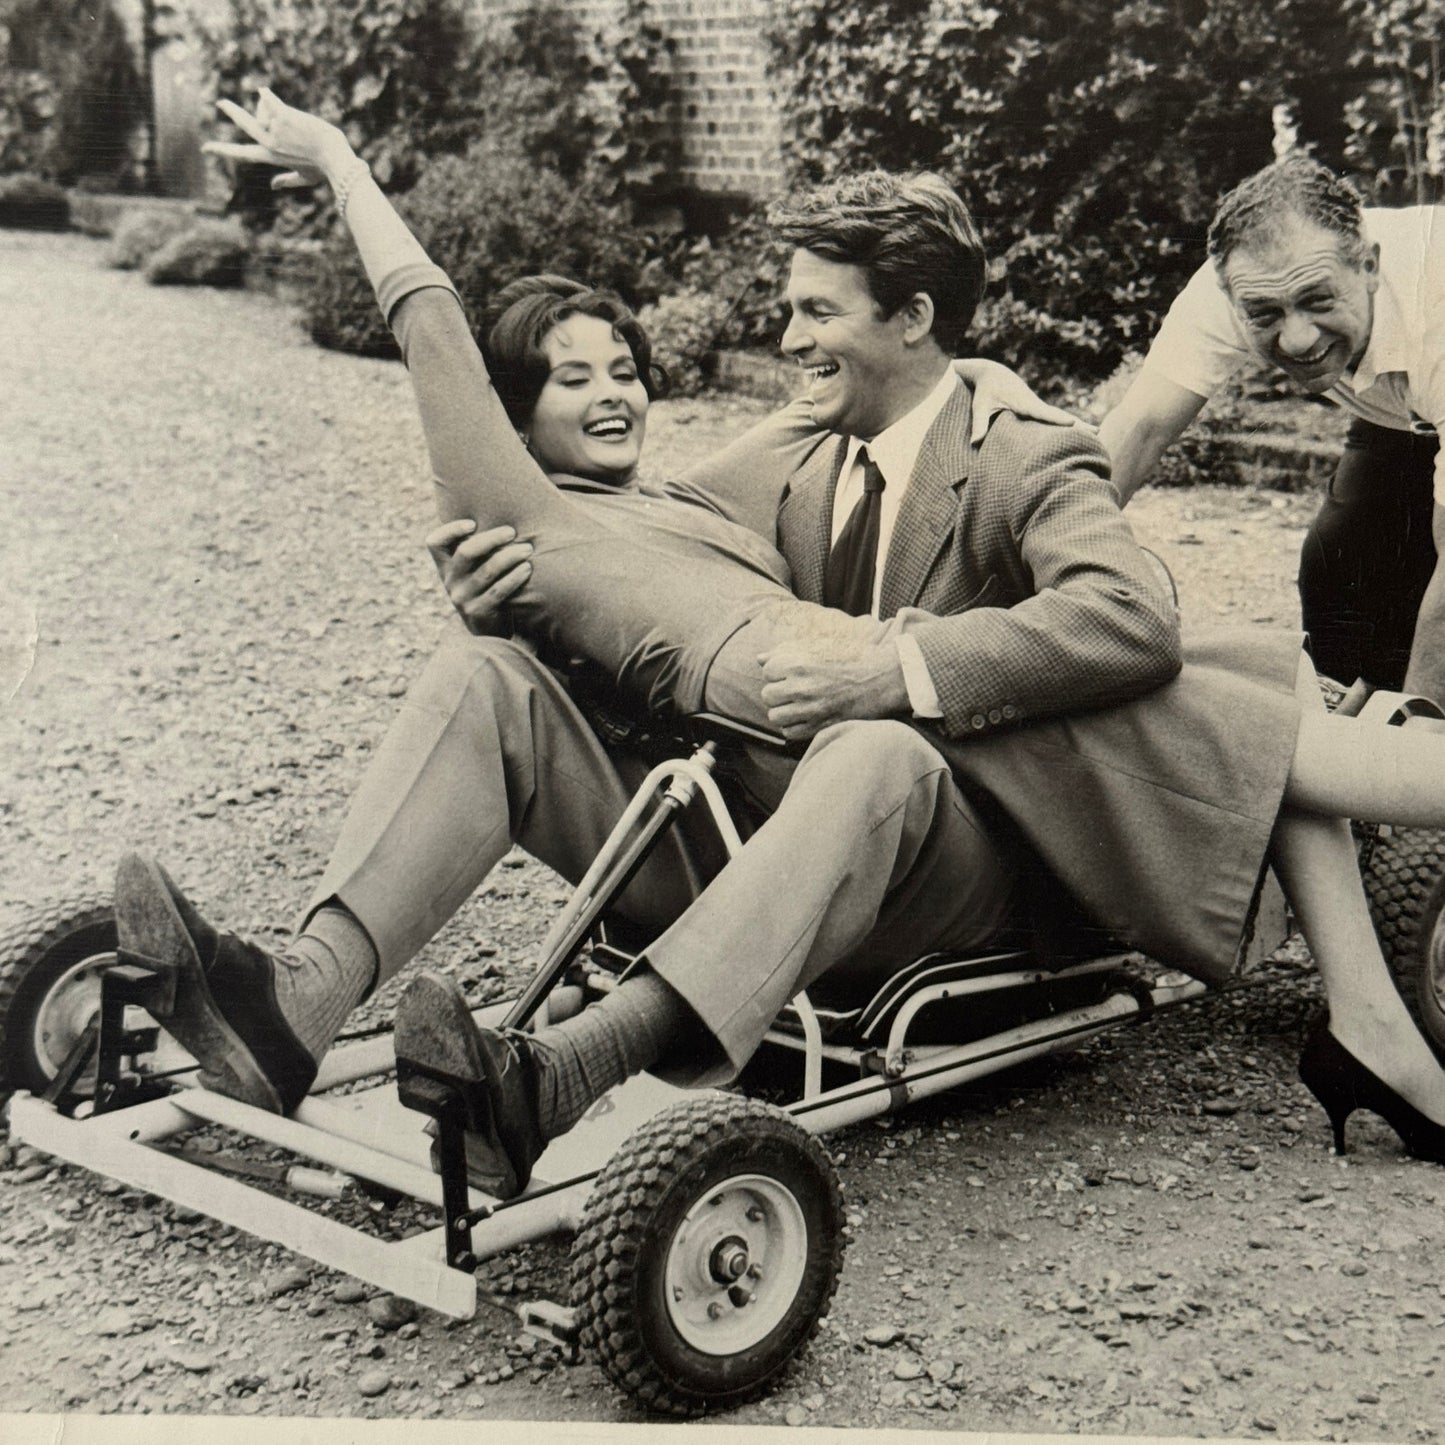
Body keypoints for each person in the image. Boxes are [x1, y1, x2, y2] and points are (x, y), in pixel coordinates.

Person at [119, 93, 1445, 1201]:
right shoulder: (789, 453)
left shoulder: (1021, 450)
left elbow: (1128, 617)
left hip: (973, 866)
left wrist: (897, 668)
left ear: (910, 317)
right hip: (781, 831)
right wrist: (507, 598)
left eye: (815, 311)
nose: (787, 337)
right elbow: (647, 576)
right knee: (490, 679)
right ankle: (296, 1003)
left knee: (873, 746)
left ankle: (562, 1079)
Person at [1098, 153, 1445, 701]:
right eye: (1265, 314)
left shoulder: (1436, 308)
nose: (1297, 340)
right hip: (1402, 411)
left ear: (1369, 266)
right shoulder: (1239, 284)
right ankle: (1352, 720)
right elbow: (1137, 432)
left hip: (1432, 371)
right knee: (1338, 563)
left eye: (1317, 300)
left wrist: (1416, 726)